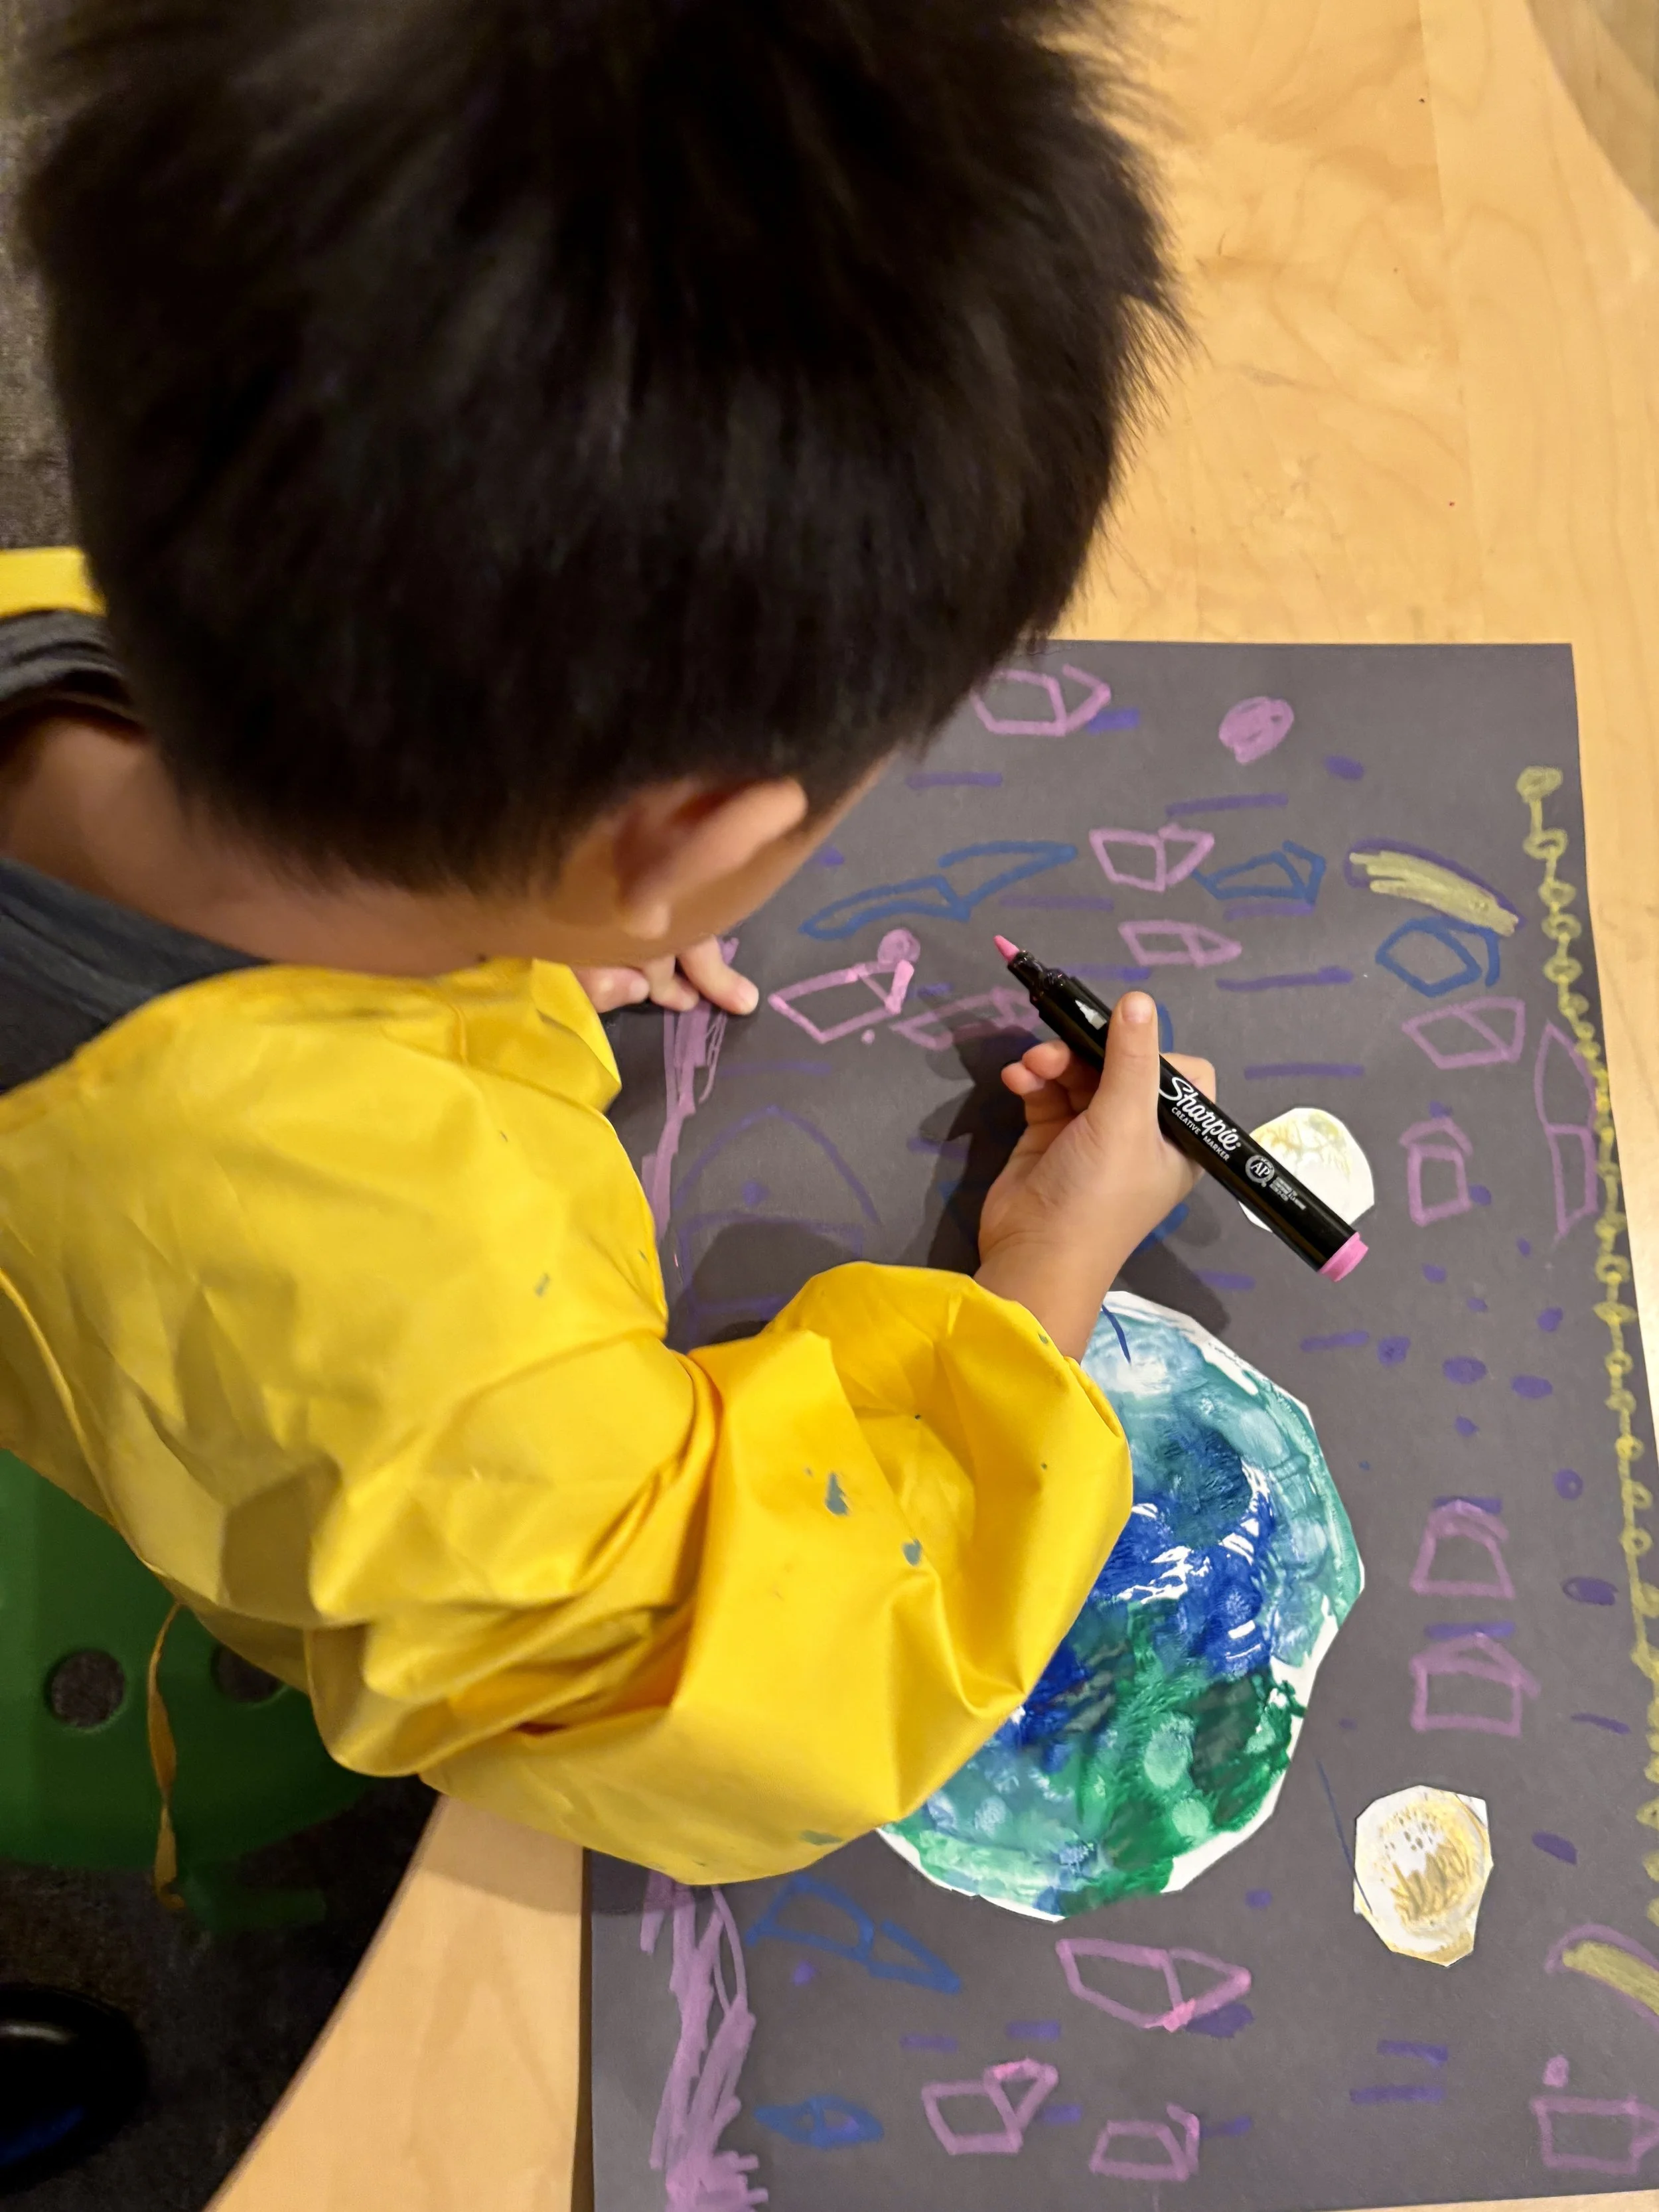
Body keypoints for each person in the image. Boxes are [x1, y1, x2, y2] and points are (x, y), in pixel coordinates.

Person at [0, 0, 1212, 1885]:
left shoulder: (56, 615)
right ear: (689, 837)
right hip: (226, 1435)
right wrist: (1029, 1309)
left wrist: (499, 925)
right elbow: (710, 1675)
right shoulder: (408, 1303)